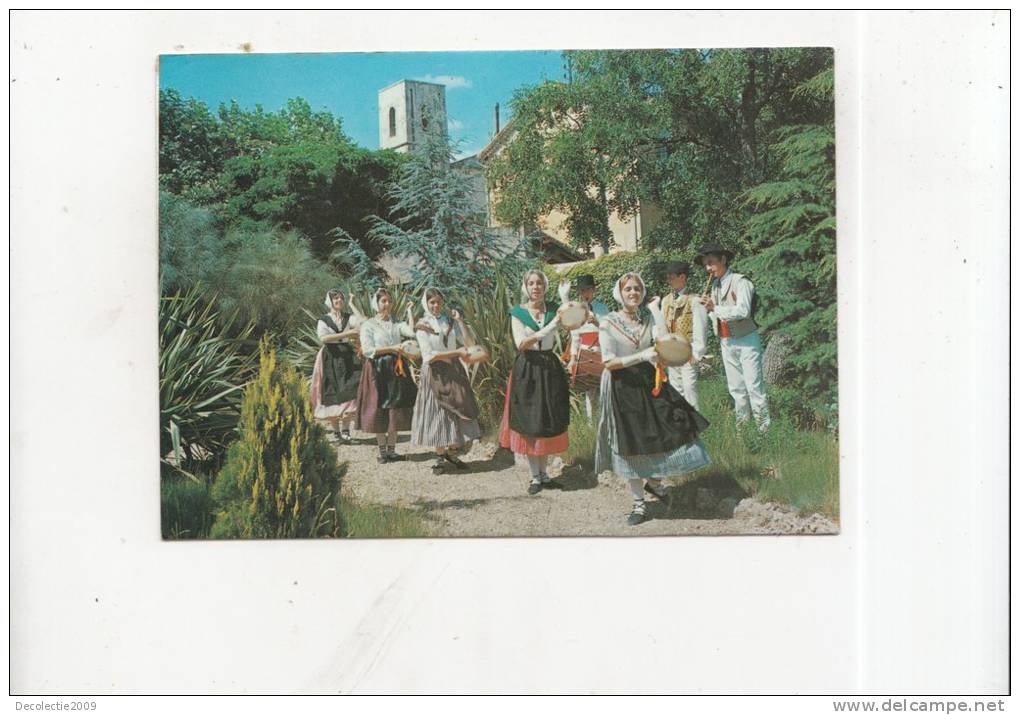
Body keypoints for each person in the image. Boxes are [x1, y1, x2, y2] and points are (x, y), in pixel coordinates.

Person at [594, 272, 711, 526]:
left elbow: (663, 344)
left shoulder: (647, 317)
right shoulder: (608, 322)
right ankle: (638, 504)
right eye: (628, 290)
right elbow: (608, 362)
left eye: (637, 289)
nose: (633, 293)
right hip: (624, 387)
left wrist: (669, 353)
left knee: (674, 426)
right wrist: (642, 355)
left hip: (650, 383)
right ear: (619, 293)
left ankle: (655, 483)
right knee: (633, 443)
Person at [499, 269, 571, 495]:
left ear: (544, 286)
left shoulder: (553, 310)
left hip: (549, 368)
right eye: (531, 283)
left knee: (547, 419)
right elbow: (521, 343)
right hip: (528, 369)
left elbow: (571, 323)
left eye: (539, 283)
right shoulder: (518, 313)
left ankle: (545, 474)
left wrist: (565, 299)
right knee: (531, 421)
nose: (535, 287)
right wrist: (551, 327)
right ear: (525, 287)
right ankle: (535, 476)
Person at [696, 242, 771, 431]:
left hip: (746, 340)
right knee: (736, 388)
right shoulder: (715, 285)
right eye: (706, 264)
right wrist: (708, 310)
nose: (708, 268)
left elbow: (743, 311)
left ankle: (764, 432)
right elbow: (717, 316)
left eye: (711, 262)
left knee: (754, 387)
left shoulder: (741, 282)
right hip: (726, 340)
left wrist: (715, 308)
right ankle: (743, 430)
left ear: (723, 260)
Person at [410, 287, 483, 472]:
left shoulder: (448, 322)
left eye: (438, 302)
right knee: (438, 411)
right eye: (432, 302)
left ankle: (451, 452)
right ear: (426, 304)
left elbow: (468, 343)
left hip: (453, 370)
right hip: (435, 372)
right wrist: (456, 353)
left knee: (456, 408)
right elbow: (428, 355)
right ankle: (439, 456)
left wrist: (460, 321)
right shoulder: (422, 326)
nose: (436, 306)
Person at [357, 287, 419, 463]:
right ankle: (382, 452)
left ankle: (392, 451)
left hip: (396, 368)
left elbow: (411, 332)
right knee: (379, 407)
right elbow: (368, 350)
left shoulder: (395, 323)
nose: (387, 304)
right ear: (376, 304)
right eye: (383, 301)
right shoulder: (368, 325)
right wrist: (392, 348)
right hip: (377, 369)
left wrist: (409, 313)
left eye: (389, 301)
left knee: (395, 407)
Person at [310, 289, 364, 444]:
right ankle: (336, 433)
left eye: (341, 298)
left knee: (351, 388)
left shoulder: (348, 317)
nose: (339, 300)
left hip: (347, 355)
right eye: (335, 298)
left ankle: (346, 432)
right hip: (330, 356)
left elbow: (361, 322)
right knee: (331, 390)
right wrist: (347, 335)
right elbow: (324, 338)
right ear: (330, 301)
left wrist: (353, 304)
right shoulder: (324, 320)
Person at [658, 261, 708, 411]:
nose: (669, 281)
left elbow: (701, 328)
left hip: (688, 351)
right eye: (668, 277)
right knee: (676, 389)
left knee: (689, 389)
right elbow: (661, 326)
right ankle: (681, 425)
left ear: (683, 277)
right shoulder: (666, 300)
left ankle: (695, 427)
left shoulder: (694, 300)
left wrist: (697, 352)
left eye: (672, 277)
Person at [565, 274, 611, 421]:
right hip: (584, 354)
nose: (586, 294)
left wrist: (597, 323)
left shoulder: (603, 308)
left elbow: (610, 332)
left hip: (601, 352)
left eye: (588, 290)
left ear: (594, 290)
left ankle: (607, 420)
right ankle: (592, 424)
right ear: (579, 293)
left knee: (606, 390)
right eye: (583, 291)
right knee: (590, 391)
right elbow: (575, 338)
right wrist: (573, 359)